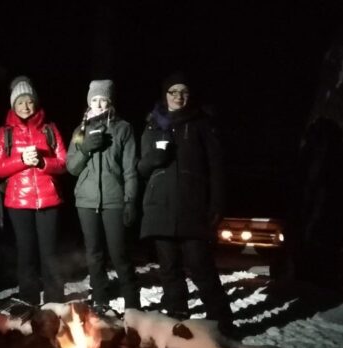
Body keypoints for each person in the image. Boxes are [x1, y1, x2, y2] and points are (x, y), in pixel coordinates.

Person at [138, 72, 234, 333]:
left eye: (184, 92)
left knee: (201, 267)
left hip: (191, 207)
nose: (178, 97)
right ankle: (177, 319)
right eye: (173, 91)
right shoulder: (152, 126)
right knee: (169, 270)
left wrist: (216, 204)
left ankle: (222, 325)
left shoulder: (201, 124)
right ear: (165, 94)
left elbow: (216, 167)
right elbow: (142, 168)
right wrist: (154, 158)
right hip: (160, 207)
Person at [0, 76, 68, 306]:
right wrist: (22, 160)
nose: (25, 106)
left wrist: (44, 163)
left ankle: (54, 302)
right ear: (13, 105)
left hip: (48, 199)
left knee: (50, 254)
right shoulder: (6, 132)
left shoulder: (50, 128)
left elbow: (64, 162)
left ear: (35, 102)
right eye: (20, 102)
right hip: (18, 202)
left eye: (29, 101)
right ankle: (29, 301)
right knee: (26, 254)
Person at [66, 80, 140, 314]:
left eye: (103, 100)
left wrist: (130, 200)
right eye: (94, 100)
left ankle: (133, 304)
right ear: (89, 102)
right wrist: (86, 149)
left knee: (119, 254)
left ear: (110, 102)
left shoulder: (123, 129)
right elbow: (72, 167)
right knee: (94, 254)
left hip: (114, 200)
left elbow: (130, 169)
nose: (98, 104)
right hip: (86, 201)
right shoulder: (80, 131)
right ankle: (100, 299)